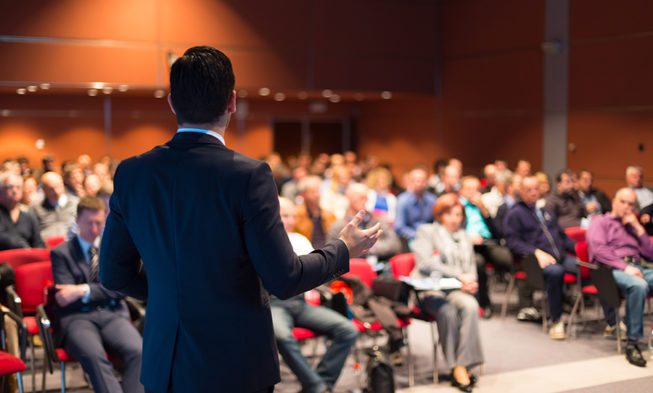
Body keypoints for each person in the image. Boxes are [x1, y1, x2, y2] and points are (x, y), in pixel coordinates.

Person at [99, 46, 381, 393]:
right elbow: (284, 278)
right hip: (235, 363)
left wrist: (171, 291)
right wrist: (343, 249)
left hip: (164, 363)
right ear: (231, 101)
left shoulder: (132, 173)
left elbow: (112, 274)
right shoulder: (248, 175)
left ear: (172, 103)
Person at [51, 196, 144, 393]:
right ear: (77, 221)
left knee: (139, 352)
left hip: (112, 314)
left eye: (99, 223)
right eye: (89, 223)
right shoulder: (61, 253)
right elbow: (65, 296)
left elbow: (119, 290)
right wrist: (103, 291)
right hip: (77, 318)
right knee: (94, 356)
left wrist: (82, 290)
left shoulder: (113, 249)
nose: (94, 229)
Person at [272, 197, 358, 393]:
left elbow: (316, 273)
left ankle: (320, 384)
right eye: (285, 216)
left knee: (348, 330)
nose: (290, 221)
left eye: (292, 216)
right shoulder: (265, 242)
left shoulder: (300, 239)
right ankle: (316, 386)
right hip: (275, 303)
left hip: (300, 302)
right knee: (283, 336)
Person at [412, 194, 484, 392]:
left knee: (470, 305)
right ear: (440, 214)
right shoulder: (427, 231)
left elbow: (471, 268)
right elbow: (425, 263)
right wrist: (460, 275)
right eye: (449, 214)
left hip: (455, 290)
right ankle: (456, 368)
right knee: (448, 312)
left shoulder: (464, 236)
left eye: (458, 214)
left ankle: (461, 365)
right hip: (430, 290)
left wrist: (470, 282)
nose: (454, 219)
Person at [586, 188, 653, 367]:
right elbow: (599, 250)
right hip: (610, 270)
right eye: (623, 202)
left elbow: (650, 254)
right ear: (614, 201)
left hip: (636, 267)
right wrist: (625, 267)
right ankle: (633, 343)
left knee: (639, 280)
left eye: (631, 204)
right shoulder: (600, 221)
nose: (627, 207)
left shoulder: (632, 225)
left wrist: (638, 228)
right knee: (638, 285)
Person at [503, 175, 576, 338]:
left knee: (590, 268)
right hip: (534, 262)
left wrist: (580, 250)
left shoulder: (545, 210)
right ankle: (555, 321)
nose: (534, 192)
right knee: (556, 272)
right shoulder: (515, 213)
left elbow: (561, 236)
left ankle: (610, 322)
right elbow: (512, 242)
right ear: (521, 191)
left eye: (536, 188)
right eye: (529, 190)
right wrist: (535, 252)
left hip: (560, 256)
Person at [458, 176, 513, 318]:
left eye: (476, 189)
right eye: (469, 189)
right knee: (478, 264)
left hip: (487, 243)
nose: (472, 193)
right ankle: (484, 303)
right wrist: (467, 237)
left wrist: (484, 211)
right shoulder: (458, 206)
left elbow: (497, 233)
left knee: (507, 258)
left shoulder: (482, 206)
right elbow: (454, 230)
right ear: (461, 191)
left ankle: (525, 302)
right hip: (467, 246)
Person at [395, 167, 437, 250]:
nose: (419, 183)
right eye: (416, 181)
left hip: (430, 235)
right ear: (411, 182)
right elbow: (399, 227)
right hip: (412, 237)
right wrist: (418, 235)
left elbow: (437, 221)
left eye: (422, 180)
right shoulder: (402, 200)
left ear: (426, 182)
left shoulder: (432, 199)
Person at [0, 173, 45, 250]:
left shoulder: (29, 217)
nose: (14, 190)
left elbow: (39, 244)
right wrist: (24, 247)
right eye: (10, 187)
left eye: (18, 187)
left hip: (28, 259)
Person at [30, 171, 78, 239]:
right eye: (51, 189)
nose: (56, 191)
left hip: (69, 245)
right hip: (46, 245)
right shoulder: (35, 207)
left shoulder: (75, 203)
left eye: (59, 186)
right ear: (44, 189)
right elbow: (33, 232)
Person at [294, 175, 338, 249]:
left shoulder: (330, 215)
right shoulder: (296, 215)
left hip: (327, 252)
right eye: (312, 192)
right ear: (303, 195)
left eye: (318, 191)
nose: (317, 195)